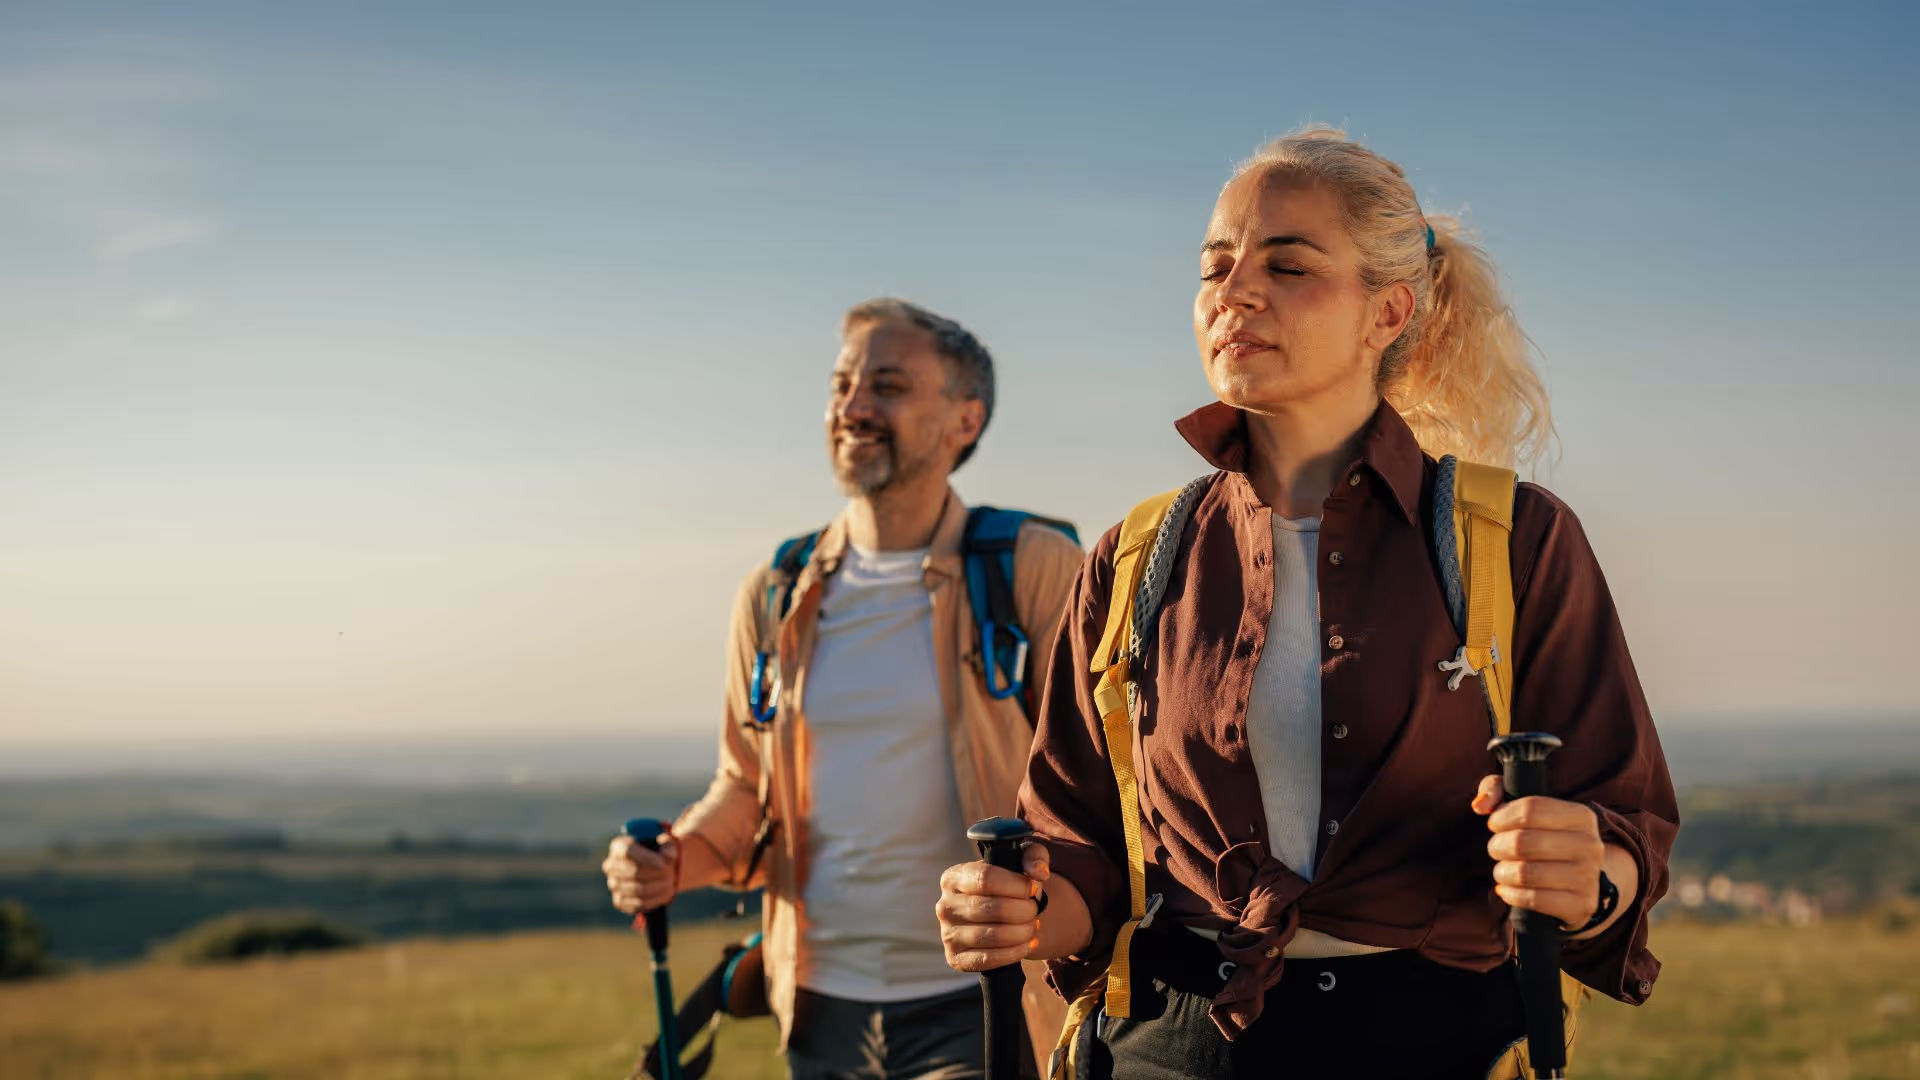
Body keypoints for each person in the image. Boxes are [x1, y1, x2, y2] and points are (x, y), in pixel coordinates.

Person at [934, 127, 1679, 1077]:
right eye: (1216, 266)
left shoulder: (1514, 540)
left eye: (1287, 265)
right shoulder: (1133, 556)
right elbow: (1079, 845)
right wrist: (1025, 908)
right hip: (1168, 1046)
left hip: (1438, 1048)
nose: (1236, 291)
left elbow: (1622, 820)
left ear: (1387, 311)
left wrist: (1590, 878)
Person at [605, 299, 1084, 1079]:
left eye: (887, 386)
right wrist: (676, 858)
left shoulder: (1033, 568)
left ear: (965, 420)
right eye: (841, 386)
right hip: (818, 1007)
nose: (853, 407)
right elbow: (745, 785)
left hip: (987, 997)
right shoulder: (776, 591)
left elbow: (1093, 785)